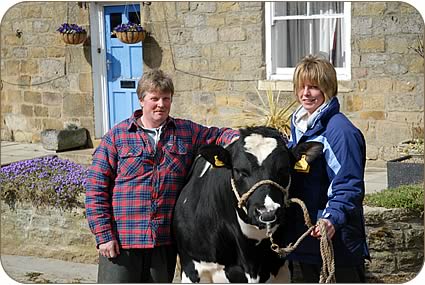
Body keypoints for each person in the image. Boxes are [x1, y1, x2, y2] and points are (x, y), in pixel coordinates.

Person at [85, 69, 239, 283]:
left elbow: (218, 135)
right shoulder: (117, 136)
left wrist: (246, 140)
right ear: (141, 100)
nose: (161, 104)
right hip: (122, 242)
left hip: (163, 244)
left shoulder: (186, 132)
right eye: (154, 98)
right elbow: (95, 189)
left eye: (166, 98)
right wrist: (104, 236)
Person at [285, 55, 370, 283]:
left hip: (337, 246)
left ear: (328, 88)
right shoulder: (300, 127)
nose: (305, 93)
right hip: (305, 244)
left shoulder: (340, 131)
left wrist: (331, 219)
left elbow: (348, 185)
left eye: (313, 87)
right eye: (301, 87)